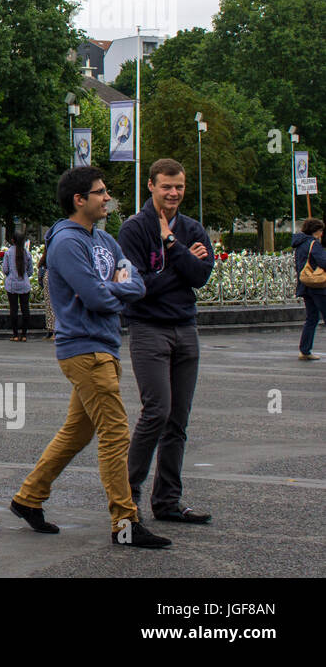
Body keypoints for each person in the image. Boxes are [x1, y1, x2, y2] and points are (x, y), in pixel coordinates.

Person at [9, 166, 171, 549]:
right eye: (100, 192)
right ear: (79, 200)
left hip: (103, 344)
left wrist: (117, 287)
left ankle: (28, 498)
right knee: (116, 433)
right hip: (85, 349)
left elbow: (138, 283)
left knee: (76, 432)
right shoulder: (67, 243)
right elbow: (100, 296)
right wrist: (116, 288)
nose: (107, 198)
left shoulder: (104, 239)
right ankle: (125, 522)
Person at [119, 159, 216, 525]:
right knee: (156, 411)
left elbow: (202, 278)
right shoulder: (134, 229)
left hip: (185, 328)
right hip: (148, 330)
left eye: (179, 187)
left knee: (178, 419)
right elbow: (137, 287)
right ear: (151, 186)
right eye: (166, 187)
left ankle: (168, 501)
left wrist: (173, 246)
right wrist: (182, 264)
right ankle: (127, 499)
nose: (173, 193)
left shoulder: (190, 228)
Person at [291, 218, 326, 360]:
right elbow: (323, 261)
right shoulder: (314, 244)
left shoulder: (300, 244)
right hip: (317, 286)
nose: (322, 234)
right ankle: (305, 351)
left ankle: (304, 350)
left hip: (305, 285)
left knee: (311, 318)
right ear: (316, 231)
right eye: (321, 231)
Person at [2, 232, 32, 341]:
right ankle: (24, 334)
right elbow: (30, 271)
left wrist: (11, 275)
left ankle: (15, 334)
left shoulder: (8, 253)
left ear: (13, 240)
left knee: (13, 309)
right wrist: (24, 276)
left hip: (12, 284)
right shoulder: (26, 253)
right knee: (25, 309)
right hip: (24, 284)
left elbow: (5, 269)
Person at [36, 248, 56, 340]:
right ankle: (54, 331)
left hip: (47, 280)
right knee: (53, 308)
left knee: (49, 307)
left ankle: (50, 330)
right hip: (55, 280)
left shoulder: (47, 253)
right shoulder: (56, 252)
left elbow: (40, 266)